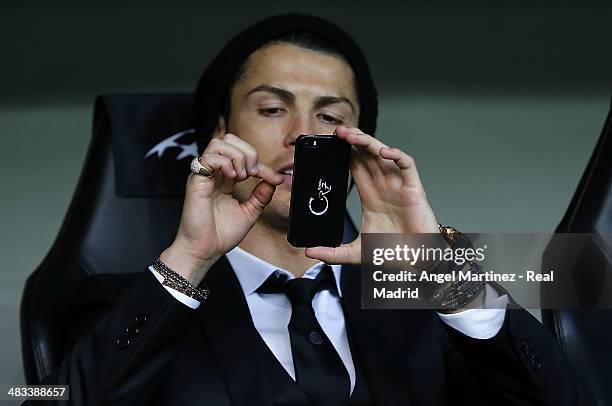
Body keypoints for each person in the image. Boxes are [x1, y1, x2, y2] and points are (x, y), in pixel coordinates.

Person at [39, 14, 594, 405]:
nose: (303, 136)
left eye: (330, 118)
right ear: (221, 133)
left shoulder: (417, 303)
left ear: (359, 146)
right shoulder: (128, 300)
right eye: (273, 107)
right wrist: (188, 261)